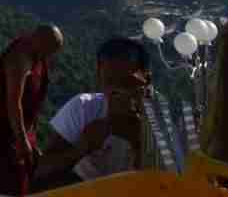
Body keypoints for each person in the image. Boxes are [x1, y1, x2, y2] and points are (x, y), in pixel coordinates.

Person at [32, 37, 151, 190]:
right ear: (98, 77)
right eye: (109, 81)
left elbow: (165, 182)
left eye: (126, 83)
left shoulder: (157, 119)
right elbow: (40, 171)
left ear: (146, 80)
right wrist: (81, 149)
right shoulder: (84, 107)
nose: (116, 90)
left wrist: (137, 141)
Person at [0, 25, 64, 196]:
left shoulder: (37, 56)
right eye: (49, 50)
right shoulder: (20, 56)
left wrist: (31, 140)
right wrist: (22, 140)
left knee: (27, 182)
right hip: (5, 133)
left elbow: (32, 104)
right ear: (38, 39)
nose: (49, 56)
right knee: (9, 185)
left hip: (23, 130)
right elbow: (13, 102)